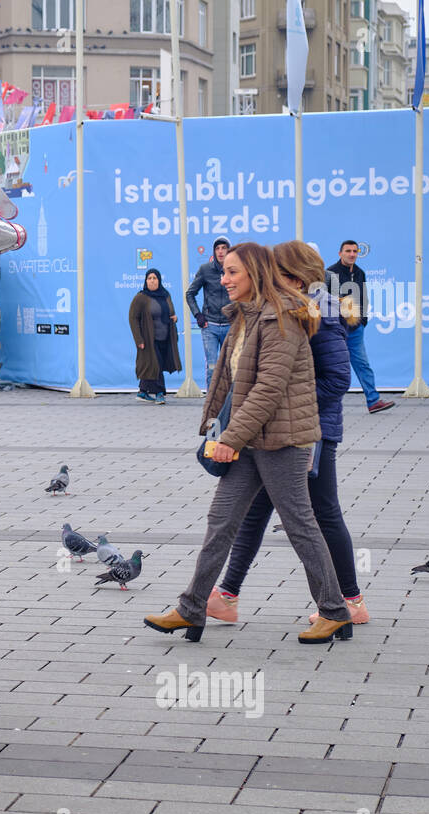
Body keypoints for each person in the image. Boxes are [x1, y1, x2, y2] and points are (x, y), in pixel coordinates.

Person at [143, 242, 353, 645]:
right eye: (223, 272)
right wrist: (211, 427)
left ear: (255, 274)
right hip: (249, 439)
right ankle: (192, 609)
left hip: (282, 440)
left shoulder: (282, 321)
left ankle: (334, 611)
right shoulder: (246, 318)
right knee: (221, 522)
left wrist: (231, 438)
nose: (223, 280)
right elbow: (229, 380)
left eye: (232, 272)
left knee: (300, 525)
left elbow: (268, 389)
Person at [207, 240, 369, 626]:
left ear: (294, 277)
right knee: (257, 510)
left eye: (274, 273)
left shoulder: (320, 312)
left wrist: (288, 401)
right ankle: (225, 595)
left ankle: (351, 602)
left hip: (312, 431)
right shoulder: (286, 310)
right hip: (278, 430)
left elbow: (338, 379)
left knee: (321, 513)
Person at [326, 240, 394, 414]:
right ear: (340, 253)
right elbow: (326, 301)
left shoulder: (360, 273)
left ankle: (373, 401)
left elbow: (363, 298)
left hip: (355, 329)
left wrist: (362, 321)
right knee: (333, 367)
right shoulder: (330, 273)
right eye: (348, 251)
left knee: (362, 364)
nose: (352, 254)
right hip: (336, 329)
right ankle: (329, 406)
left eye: (355, 251)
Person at [128, 268, 181, 405]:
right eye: (149, 278)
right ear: (146, 281)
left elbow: (171, 312)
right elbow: (133, 319)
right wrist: (138, 339)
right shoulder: (141, 298)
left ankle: (143, 391)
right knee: (155, 364)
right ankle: (159, 393)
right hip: (149, 339)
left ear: (159, 280)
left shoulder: (165, 295)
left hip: (165, 337)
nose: (152, 281)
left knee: (152, 365)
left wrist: (175, 318)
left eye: (155, 278)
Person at [186, 237, 232, 391]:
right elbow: (190, 294)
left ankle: (229, 401)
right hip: (210, 326)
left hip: (230, 325)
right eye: (217, 248)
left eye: (224, 248)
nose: (220, 251)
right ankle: (211, 400)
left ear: (229, 250)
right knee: (212, 366)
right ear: (214, 251)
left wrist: (239, 315)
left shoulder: (235, 270)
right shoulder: (205, 270)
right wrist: (198, 315)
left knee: (231, 365)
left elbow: (245, 294)